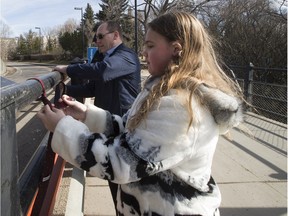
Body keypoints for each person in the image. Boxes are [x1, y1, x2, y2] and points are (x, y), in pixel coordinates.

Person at [38, 11, 244, 216]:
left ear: (176, 49)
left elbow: (121, 163)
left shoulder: (181, 106)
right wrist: (85, 114)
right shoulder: (163, 91)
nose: (143, 52)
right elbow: (132, 131)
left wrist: (62, 127)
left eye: (150, 45)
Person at [53, 20, 141, 116]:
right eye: (96, 38)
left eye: (100, 36)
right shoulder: (103, 56)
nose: (97, 41)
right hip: (104, 119)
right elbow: (92, 89)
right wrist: (65, 89)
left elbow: (101, 70)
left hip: (123, 121)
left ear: (115, 35)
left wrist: (67, 69)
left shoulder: (127, 56)